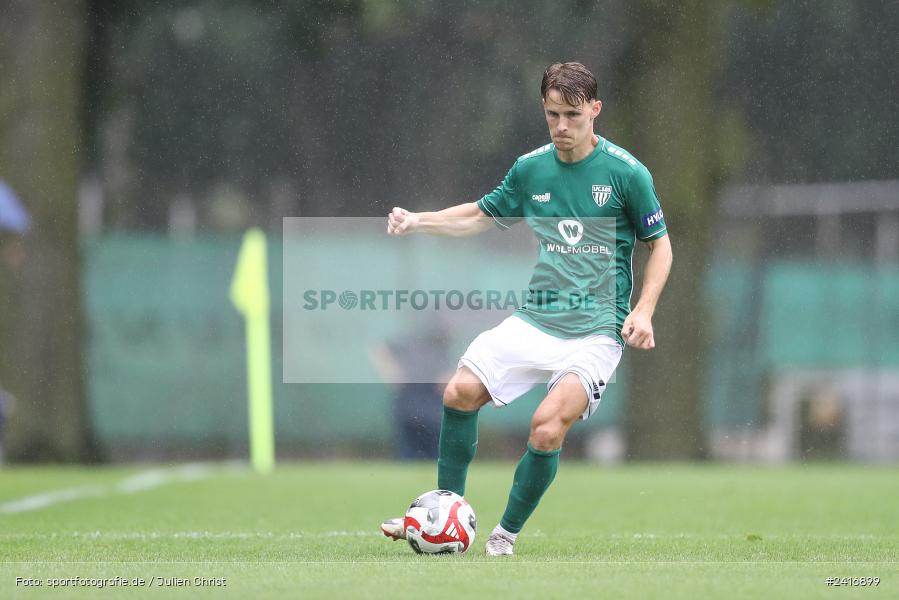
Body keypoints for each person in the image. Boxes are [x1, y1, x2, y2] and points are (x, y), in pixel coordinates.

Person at [380, 62, 672, 555]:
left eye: (573, 115)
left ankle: (503, 536)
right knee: (458, 392)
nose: (561, 126)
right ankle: (440, 515)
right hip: (536, 319)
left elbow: (660, 245)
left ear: (595, 110)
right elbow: (479, 215)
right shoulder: (530, 168)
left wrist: (642, 311)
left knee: (545, 426)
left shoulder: (626, 173)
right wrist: (417, 221)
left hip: (597, 330)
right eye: (553, 114)